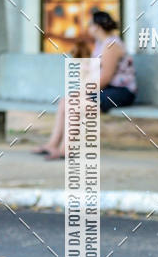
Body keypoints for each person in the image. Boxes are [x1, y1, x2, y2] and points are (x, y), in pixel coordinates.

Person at [35, 11, 137, 160]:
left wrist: (83, 92)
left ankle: (65, 150)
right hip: (107, 90)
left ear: (96, 27)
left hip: (121, 92)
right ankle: (52, 144)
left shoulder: (111, 45)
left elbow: (106, 77)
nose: (88, 28)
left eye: (90, 24)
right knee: (65, 101)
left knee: (75, 104)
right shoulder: (100, 44)